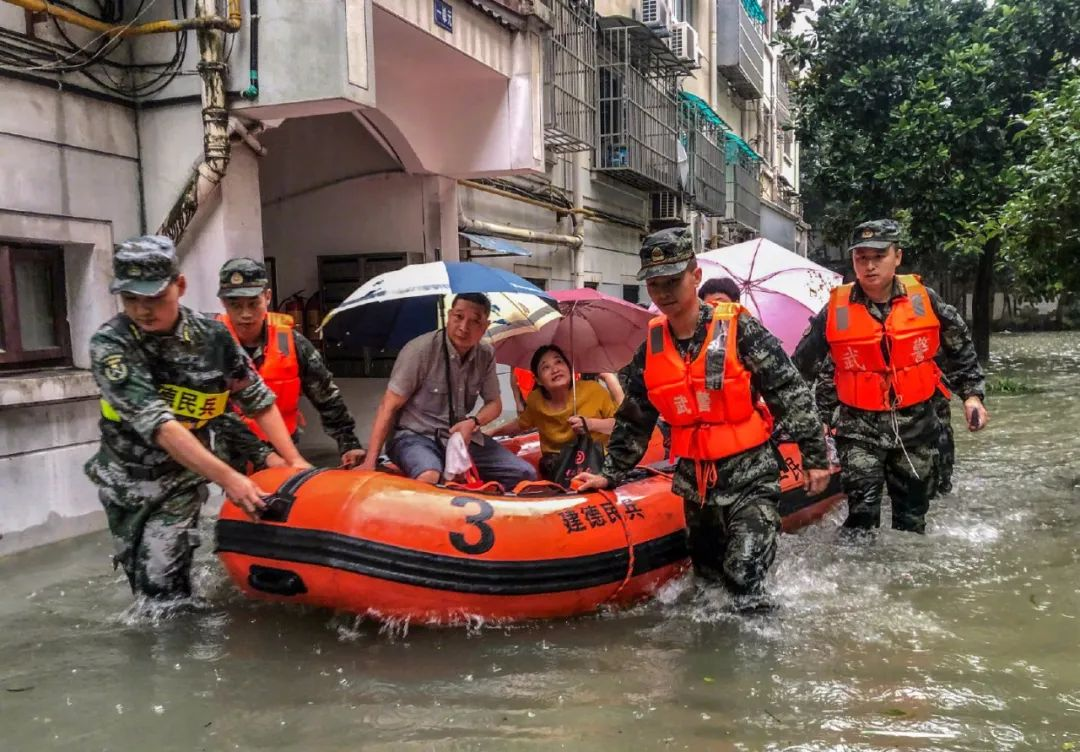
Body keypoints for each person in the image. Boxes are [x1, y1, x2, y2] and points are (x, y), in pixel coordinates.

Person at [574, 228, 831, 608]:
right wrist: (610, 472)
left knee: (744, 576)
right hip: (696, 485)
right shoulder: (652, 348)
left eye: (673, 281)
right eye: (655, 283)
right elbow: (635, 417)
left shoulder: (739, 329)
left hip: (751, 477)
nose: (664, 293)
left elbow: (788, 391)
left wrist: (813, 458)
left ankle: (757, 659)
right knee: (708, 585)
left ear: (695, 276)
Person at [85, 236, 311, 601]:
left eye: (155, 297)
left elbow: (257, 400)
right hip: (126, 481)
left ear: (180, 286)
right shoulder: (112, 345)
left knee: (165, 585)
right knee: (142, 584)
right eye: (131, 299)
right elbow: (161, 426)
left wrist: (294, 460)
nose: (143, 310)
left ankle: (177, 639)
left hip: (180, 481)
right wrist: (231, 479)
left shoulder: (213, 337)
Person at [792, 219, 988, 535]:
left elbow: (960, 348)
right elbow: (799, 370)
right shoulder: (835, 311)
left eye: (878, 257)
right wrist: (807, 429)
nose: (869, 266)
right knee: (862, 517)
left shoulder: (924, 300)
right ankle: (857, 579)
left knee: (912, 521)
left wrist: (972, 396)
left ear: (897, 257)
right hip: (858, 429)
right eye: (861, 258)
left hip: (916, 428)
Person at [359, 293, 537, 488]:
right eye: (459, 317)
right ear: (450, 315)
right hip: (415, 437)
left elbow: (495, 404)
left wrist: (473, 422)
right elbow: (388, 406)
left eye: (474, 321)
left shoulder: (485, 354)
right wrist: (370, 461)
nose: (463, 327)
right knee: (429, 475)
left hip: (460, 439)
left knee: (524, 472)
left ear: (485, 326)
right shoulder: (420, 350)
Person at [212, 258, 366, 470]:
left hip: (282, 449)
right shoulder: (211, 343)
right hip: (234, 454)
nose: (245, 314)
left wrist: (348, 442)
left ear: (267, 297)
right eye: (235, 305)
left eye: (253, 304)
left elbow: (325, 395)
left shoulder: (291, 342)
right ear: (223, 302)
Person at [491, 345, 617, 481]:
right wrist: (490, 433)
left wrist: (589, 424)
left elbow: (619, 425)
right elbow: (521, 424)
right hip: (557, 466)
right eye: (545, 367)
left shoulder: (594, 390)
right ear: (538, 380)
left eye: (559, 362)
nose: (555, 370)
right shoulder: (536, 400)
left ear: (569, 368)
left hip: (597, 460)